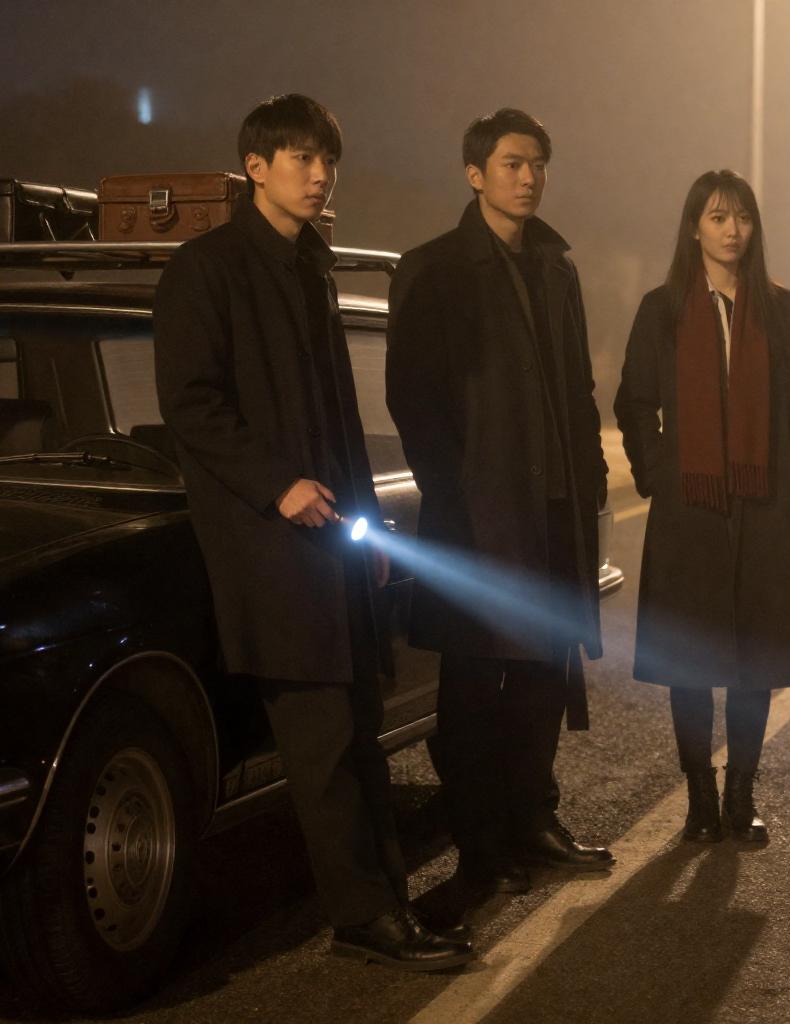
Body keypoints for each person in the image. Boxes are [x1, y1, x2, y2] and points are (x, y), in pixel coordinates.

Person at [153, 93, 472, 970]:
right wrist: (276, 486)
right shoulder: (207, 269)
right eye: (301, 158)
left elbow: (338, 422)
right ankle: (365, 920)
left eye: (328, 160)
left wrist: (367, 531)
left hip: (336, 545)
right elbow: (190, 404)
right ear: (254, 167)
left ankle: (387, 910)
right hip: (272, 552)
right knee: (324, 749)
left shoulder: (309, 269)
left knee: (359, 736)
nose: (320, 174)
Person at [386, 108, 614, 895]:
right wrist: (454, 497)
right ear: (475, 173)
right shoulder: (435, 268)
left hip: (552, 507)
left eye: (539, 164)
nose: (529, 178)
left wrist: (590, 477)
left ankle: (533, 821)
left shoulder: (556, 266)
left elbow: (578, 389)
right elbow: (414, 399)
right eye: (513, 164)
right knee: (476, 683)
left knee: (546, 670)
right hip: (478, 515)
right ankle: (481, 844)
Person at [614, 169, 790, 843]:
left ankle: (741, 796)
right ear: (694, 228)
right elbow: (634, 401)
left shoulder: (782, 309)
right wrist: (659, 475)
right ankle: (699, 800)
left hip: (763, 508)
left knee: (754, 659)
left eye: (742, 217)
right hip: (691, 508)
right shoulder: (663, 308)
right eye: (717, 217)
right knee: (692, 660)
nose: (732, 230)